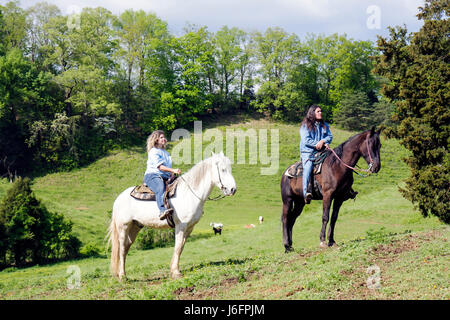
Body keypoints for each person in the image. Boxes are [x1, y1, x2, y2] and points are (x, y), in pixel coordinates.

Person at [144, 130, 181, 220]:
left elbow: (167, 167)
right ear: (156, 139)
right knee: (160, 188)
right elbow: (160, 167)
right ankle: (162, 210)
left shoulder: (166, 153)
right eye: (161, 137)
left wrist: (172, 174)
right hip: (153, 175)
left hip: (165, 176)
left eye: (164, 137)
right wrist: (173, 170)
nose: (164, 139)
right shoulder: (153, 151)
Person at [299, 105, 332, 204]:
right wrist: (318, 143)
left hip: (321, 151)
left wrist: (323, 141)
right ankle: (306, 192)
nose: (320, 113)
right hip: (308, 152)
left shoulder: (324, 125)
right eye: (318, 111)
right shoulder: (305, 125)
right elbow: (306, 140)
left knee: (335, 161)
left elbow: (329, 136)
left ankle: (345, 188)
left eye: (321, 111)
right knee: (308, 166)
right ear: (312, 113)